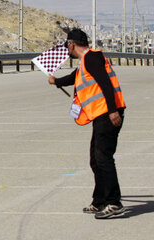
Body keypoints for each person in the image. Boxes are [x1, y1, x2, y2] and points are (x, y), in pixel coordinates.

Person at [48, 29, 126, 219]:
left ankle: (113, 202)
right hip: (101, 114)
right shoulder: (86, 62)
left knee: (103, 158)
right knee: (95, 159)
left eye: (67, 45)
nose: (67, 49)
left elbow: (105, 83)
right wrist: (56, 81)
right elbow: (74, 78)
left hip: (107, 113)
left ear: (72, 44)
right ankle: (99, 200)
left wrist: (113, 110)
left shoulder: (92, 58)